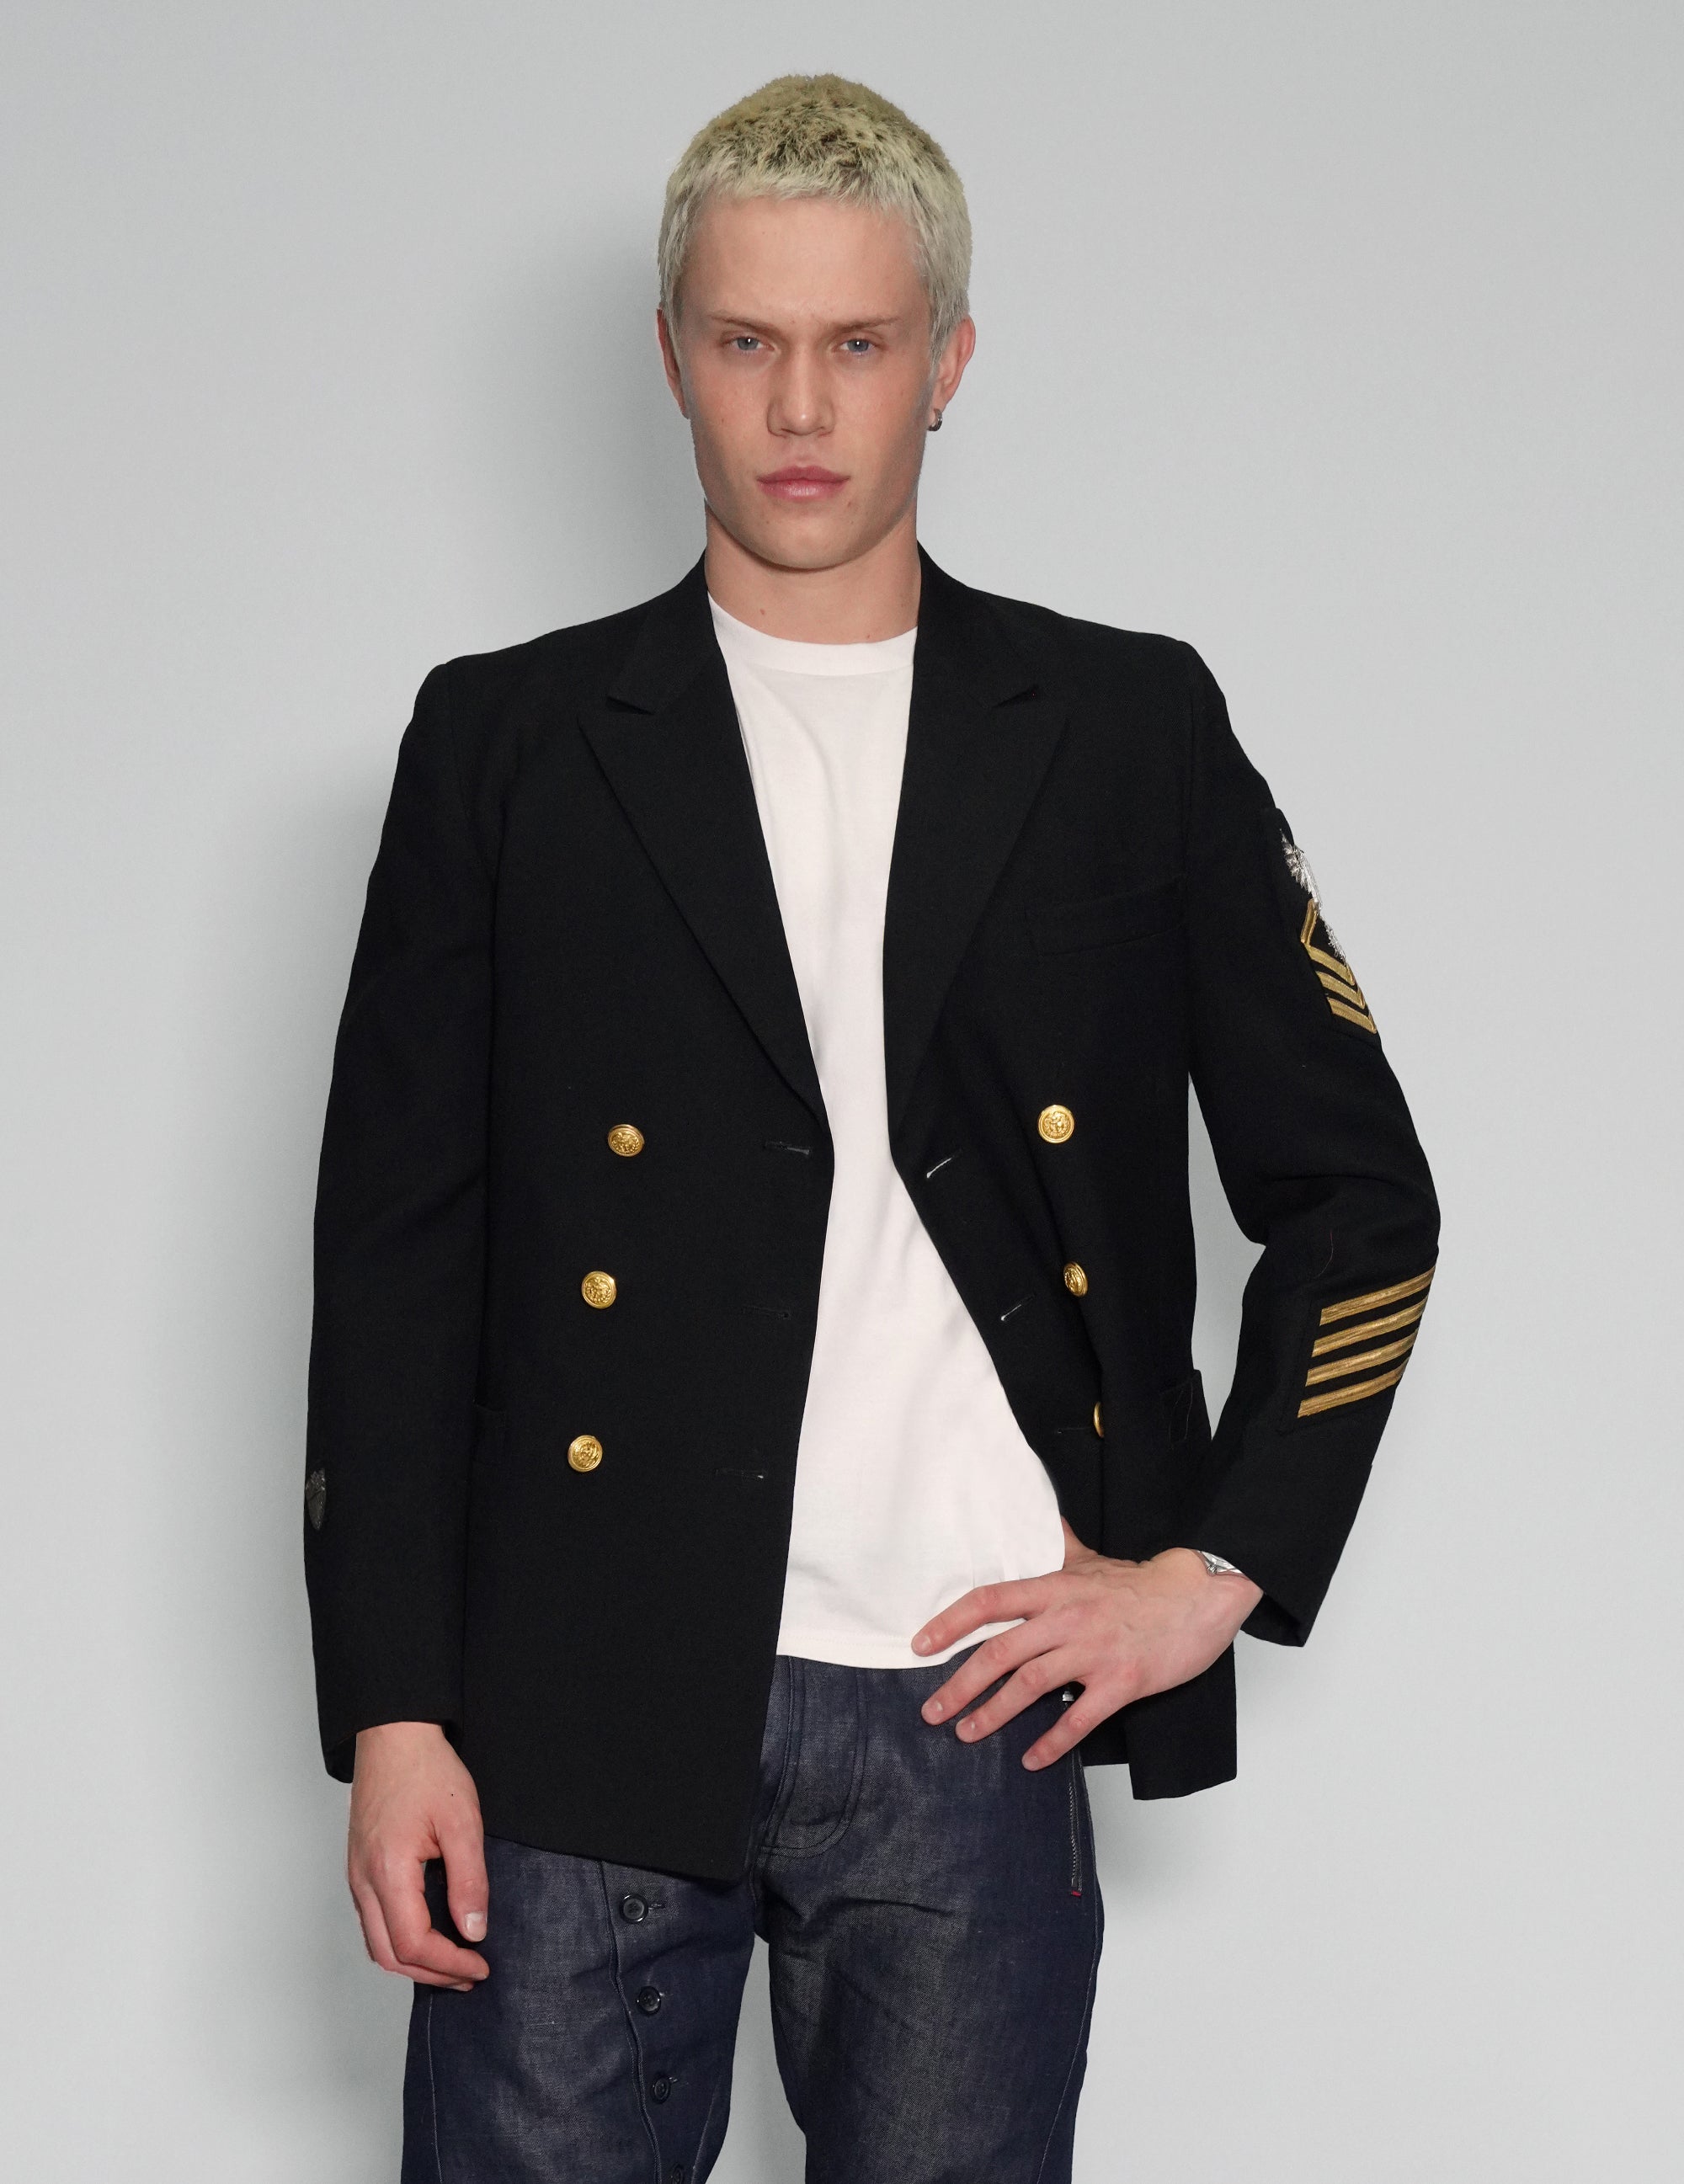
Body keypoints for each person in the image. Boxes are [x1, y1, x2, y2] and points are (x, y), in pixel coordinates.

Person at [303, 72, 1439, 2184]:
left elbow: (1359, 1197)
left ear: (950, 360)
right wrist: (390, 1711)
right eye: (747, 340)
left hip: (970, 1708)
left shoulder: (1123, 728)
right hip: (573, 1694)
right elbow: (395, 1261)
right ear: (671, 356)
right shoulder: (508, 741)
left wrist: (1214, 1568)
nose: (802, 406)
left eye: (859, 341)